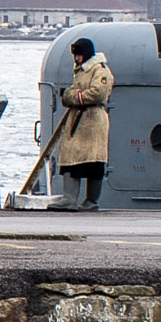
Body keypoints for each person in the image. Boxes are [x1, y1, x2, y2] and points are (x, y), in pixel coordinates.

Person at [54, 36, 113, 211]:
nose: (76, 58)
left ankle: (91, 201)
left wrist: (72, 96)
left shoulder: (100, 71)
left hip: (92, 119)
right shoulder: (82, 70)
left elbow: (98, 93)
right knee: (71, 158)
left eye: (78, 55)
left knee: (93, 160)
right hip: (79, 119)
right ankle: (69, 198)